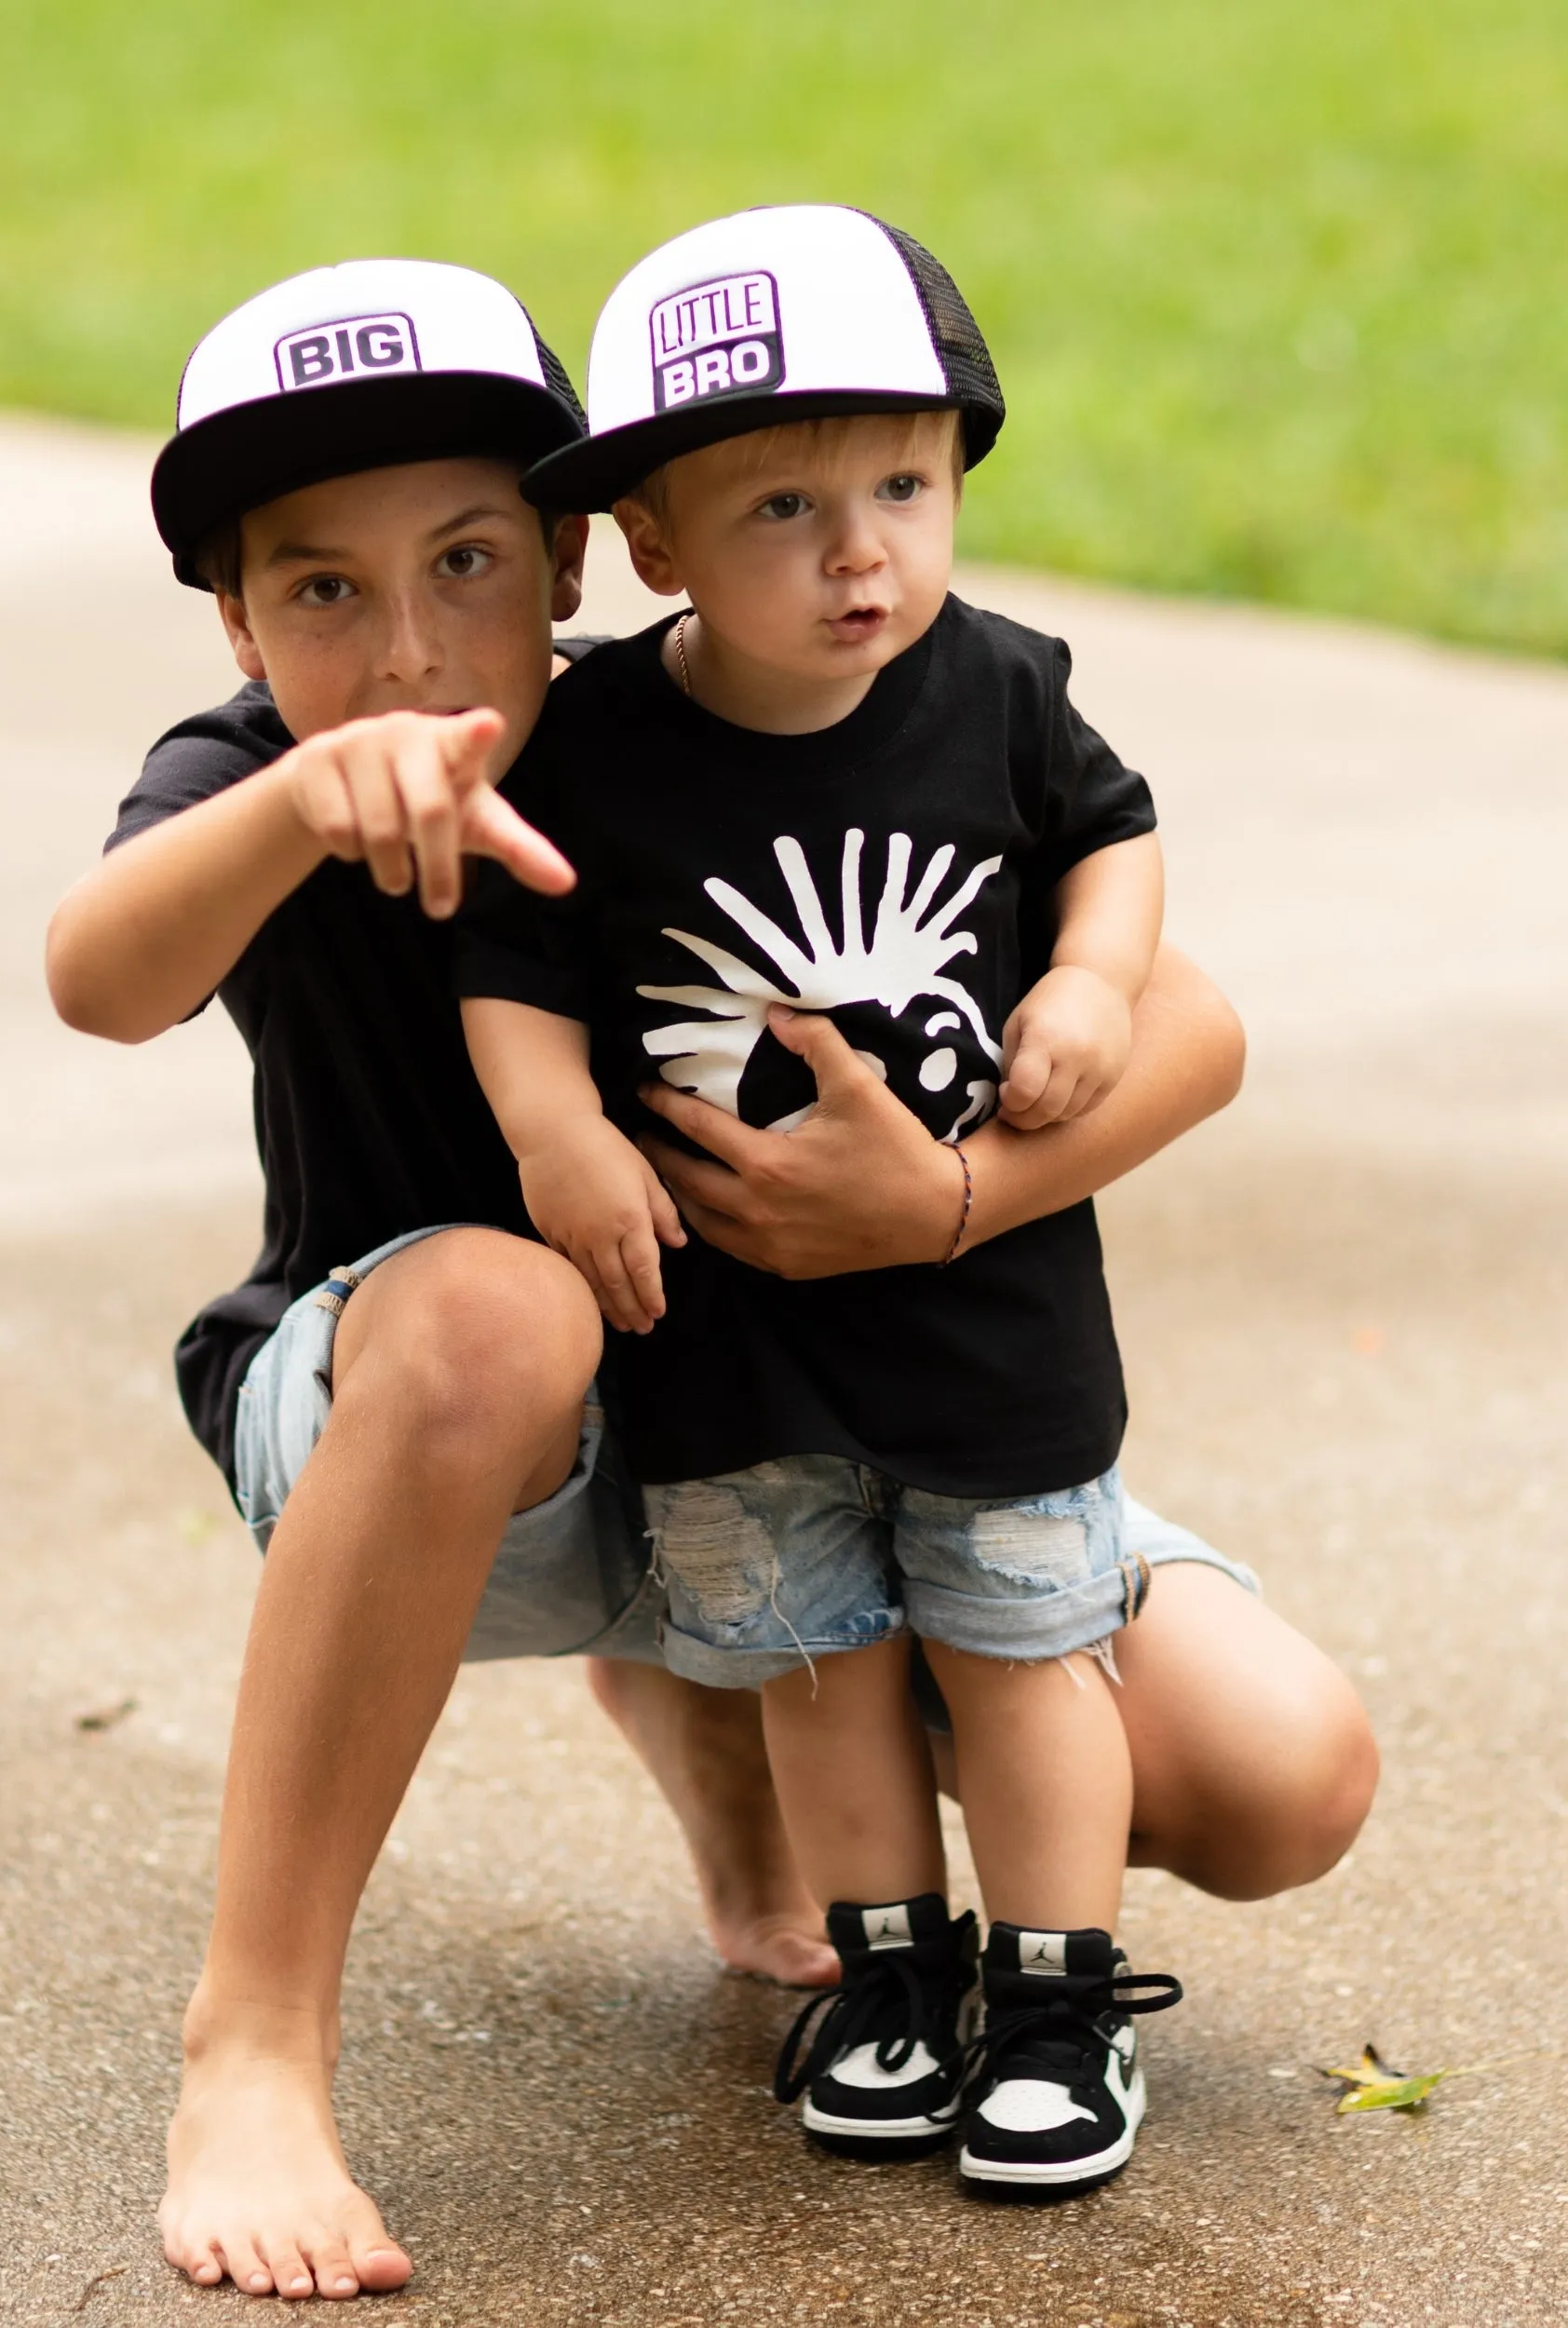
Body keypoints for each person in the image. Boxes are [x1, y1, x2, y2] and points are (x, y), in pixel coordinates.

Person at [45, 254, 1376, 2295]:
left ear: (581, 553)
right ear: (236, 619)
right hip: (440, 1428)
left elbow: (1185, 1017)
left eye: (468, 558)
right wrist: (300, 804)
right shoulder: (252, 776)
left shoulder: (713, 727)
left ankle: (710, 1713)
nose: (404, 648)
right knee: (509, 1306)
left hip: (810, 1416)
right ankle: (254, 2043)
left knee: (1282, 1775)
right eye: (320, 591)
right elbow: (98, 977)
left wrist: (938, 1203)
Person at [453, 204, 1191, 2196]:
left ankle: (1052, 1995)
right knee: (820, 1658)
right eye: (781, 505)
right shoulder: (595, 741)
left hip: (989, 1317)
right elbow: (512, 974)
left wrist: (1090, 982)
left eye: (903, 481)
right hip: (736, 1332)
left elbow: (1114, 843)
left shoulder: (1002, 690)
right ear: (658, 545)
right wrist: (557, 1133)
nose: (861, 545)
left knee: (1025, 1645)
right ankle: (885, 1970)